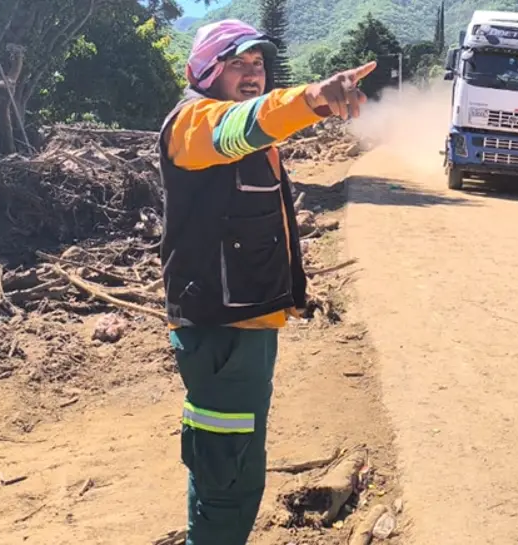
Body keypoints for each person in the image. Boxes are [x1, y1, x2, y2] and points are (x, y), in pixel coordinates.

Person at [157, 19, 375, 545]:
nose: (253, 74)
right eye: (237, 63)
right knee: (229, 478)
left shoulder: (243, 132)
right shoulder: (195, 124)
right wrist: (311, 97)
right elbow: (241, 127)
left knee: (225, 462)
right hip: (221, 330)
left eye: (258, 65)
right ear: (206, 71)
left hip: (246, 329)